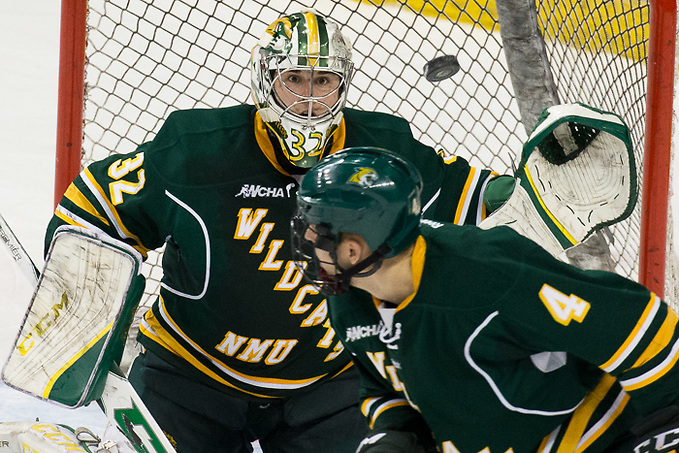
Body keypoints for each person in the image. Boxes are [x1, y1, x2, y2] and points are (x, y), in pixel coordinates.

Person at [44, 10, 511, 453]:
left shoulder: (382, 153)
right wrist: (94, 320)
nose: (309, 98)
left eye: (324, 81)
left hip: (332, 383)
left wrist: (549, 188)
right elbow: (91, 208)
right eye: (295, 80)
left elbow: (486, 203)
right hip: (189, 377)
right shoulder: (197, 151)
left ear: (343, 86)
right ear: (266, 83)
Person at [291, 146, 679, 453]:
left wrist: (666, 424)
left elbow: (637, 325)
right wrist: (397, 434)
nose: (306, 242)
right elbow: (385, 384)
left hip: (600, 434)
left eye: (316, 231)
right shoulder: (349, 297)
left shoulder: (483, 273)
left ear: (356, 249)